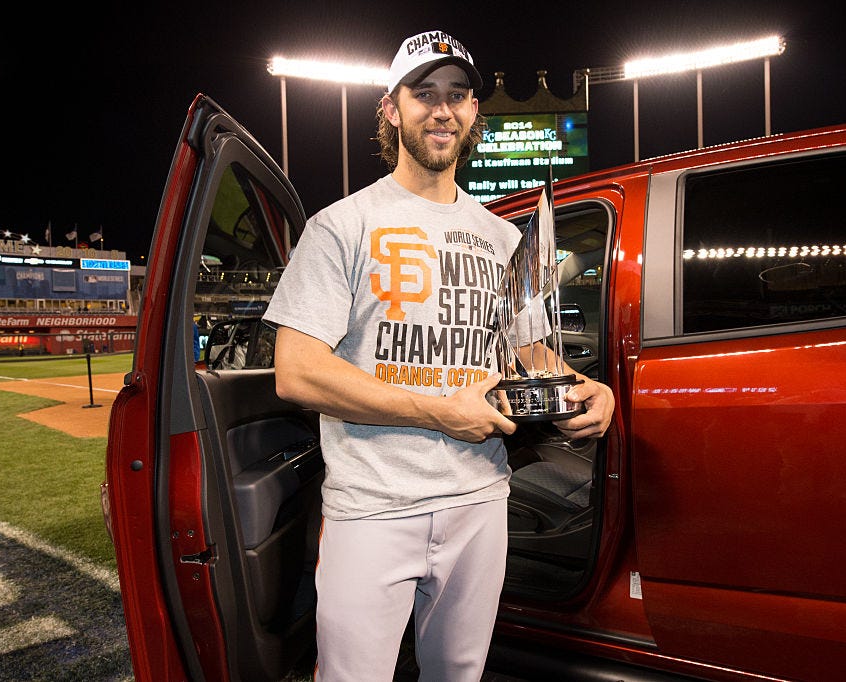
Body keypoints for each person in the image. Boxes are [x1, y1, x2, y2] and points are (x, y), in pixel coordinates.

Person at [262, 29, 614, 682]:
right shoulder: (340, 225)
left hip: (480, 502)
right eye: (424, 94)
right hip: (372, 506)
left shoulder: (508, 238)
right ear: (392, 109)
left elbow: (530, 354)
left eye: (458, 95)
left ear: (475, 112)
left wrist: (586, 389)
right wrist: (439, 412)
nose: (442, 109)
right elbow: (297, 370)